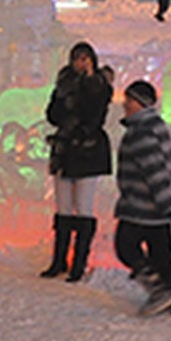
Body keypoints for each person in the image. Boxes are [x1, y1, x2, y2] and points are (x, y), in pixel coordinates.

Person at [40, 41, 114, 282]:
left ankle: (79, 263)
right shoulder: (64, 83)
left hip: (88, 150)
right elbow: (52, 114)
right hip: (65, 148)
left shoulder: (100, 85)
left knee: (83, 207)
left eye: (85, 58)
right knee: (62, 207)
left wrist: (87, 85)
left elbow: (96, 111)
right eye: (77, 58)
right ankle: (58, 260)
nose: (81, 63)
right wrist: (65, 103)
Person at [114, 79, 171, 316]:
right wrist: (169, 201)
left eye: (129, 100)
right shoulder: (155, 125)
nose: (125, 104)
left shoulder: (141, 133)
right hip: (157, 204)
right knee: (161, 251)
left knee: (126, 246)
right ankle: (170, 296)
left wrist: (165, 203)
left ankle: (159, 290)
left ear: (140, 103)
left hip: (142, 205)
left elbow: (155, 170)